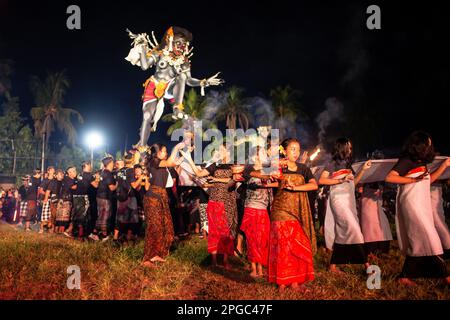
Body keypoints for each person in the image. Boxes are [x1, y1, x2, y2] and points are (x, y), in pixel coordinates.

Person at [385, 131, 450, 285]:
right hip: (412, 204)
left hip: (421, 204)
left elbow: (429, 180)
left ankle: (404, 277)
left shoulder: (421, 161)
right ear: (420, 145)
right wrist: (411, 180)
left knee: (419, 240)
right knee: (431, 239)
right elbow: (390, 177)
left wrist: (444, 165)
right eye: (428, 143)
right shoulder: (407, 160)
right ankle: (446, 277)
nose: (430, 146)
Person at [264, 138, 318, 292]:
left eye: (298, 149)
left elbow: (314, 185)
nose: (296, 152)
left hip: (299, 212)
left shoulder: (303, 168)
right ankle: (282, 282)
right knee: (283, 246)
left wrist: (295, 188)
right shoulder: (277, 167)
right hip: (280, 210)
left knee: (300, 245)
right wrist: (273, 169)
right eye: (292, 149)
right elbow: (264, 175)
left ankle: (296, 281)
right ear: (284, 150)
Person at [319, 138, 370, 273]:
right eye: (349, 148)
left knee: (344, 232)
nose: (351, 150)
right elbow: (321, 180)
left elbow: (353, 183)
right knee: (354, 229)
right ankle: (367, 266)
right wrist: (341, 179)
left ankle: (333, 266)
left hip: (349, 200)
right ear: (342, 148)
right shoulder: (332, 162)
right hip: (338, 199)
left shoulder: (348, 163)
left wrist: (363, 170)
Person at [185, 143, 238, 269]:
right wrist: (189, 159)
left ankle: (225, 260)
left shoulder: (234, 166)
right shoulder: (215, 165)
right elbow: (198, 173)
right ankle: (214, 260)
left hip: (227, 203)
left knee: (226, 231)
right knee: (214, 231)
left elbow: (233, 181)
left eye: (221, 149)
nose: (219, 152)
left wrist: (217, 180)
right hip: (214, 201)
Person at [142, 142, 185, 267]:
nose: (166, 153)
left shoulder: (161, 164)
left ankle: (156, 254)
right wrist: (176, 148)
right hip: (153, 198)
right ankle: (146, 259)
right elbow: (172, 162)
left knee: (162, 226)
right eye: (164, 151)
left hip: (161, 197)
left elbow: (175, 162)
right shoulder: (154, 162)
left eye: (166, 151)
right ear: (157, 153)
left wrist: (185, 153)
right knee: (153, 228)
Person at [240, 147, 273, 278]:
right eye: (262, 153)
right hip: (251, 208)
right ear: (255, 156)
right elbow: (260, 175)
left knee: (263, 239)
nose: (264, 155)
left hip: (264, 209)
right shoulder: (248, 169)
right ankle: (254, 268)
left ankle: (261, 266)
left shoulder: (269, 169)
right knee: (252, 239)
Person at [67, 161, 98, 239]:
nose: (91, 167)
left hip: (76, 197)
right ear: (86, 166)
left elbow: (76, 186)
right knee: (84, 216)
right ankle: (80, 234)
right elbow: (96, 185)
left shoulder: (79, 175)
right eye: (89, 165)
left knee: (77, 215)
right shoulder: (88, 175)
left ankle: (73, 232)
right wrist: (97, 178)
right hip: (83, 197)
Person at [91, 157, 118, 241]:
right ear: (110, 163)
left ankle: (94, 233)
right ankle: (104, 235)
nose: (113, 164)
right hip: (105, 198)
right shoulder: (108, 174)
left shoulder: (102, 172)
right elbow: (112, 188)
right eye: (113, 163)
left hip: (99, 196)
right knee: (105, 216)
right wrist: (117, 183)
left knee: (100, 216)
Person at [430, 180, 450, 259]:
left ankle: (447, 247)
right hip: (432, 187)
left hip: (433, 188)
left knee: (437, 220)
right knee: (436, 220)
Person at [55, 167, 77, 234]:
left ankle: (59, 232)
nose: (75, 172)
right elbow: (73, 187)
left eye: (75, 170)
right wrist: (82, 184)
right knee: (63, 217)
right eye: (73, 171)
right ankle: (60, 232)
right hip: (65, 200)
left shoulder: (72, 179)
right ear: (69, 173)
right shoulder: (68, 179)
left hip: (66, 199)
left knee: (63, 217)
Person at [39, 166, 55, 233]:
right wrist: (47, 194)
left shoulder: (54, 180)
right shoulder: (45, 180)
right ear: (48, 171)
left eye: (53, 170)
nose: (53, 171)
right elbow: (40, 190)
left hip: (53, 200)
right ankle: (41, 229)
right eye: (51, 170)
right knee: (44, 215)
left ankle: (50, 228)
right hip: (46, 199)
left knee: (51, 215)